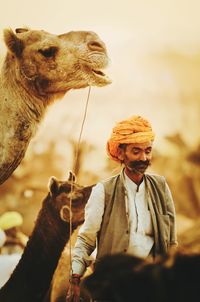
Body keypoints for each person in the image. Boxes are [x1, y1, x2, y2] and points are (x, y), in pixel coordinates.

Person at [66, 115, 178, 302]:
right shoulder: (103, 191)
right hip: (114, 288)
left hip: (153, 286)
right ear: (120, 153)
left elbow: (172, 242)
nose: (144, 158)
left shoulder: (161, 186)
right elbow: (86, 241)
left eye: (148, 151)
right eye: (136, 151)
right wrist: (75, 277)